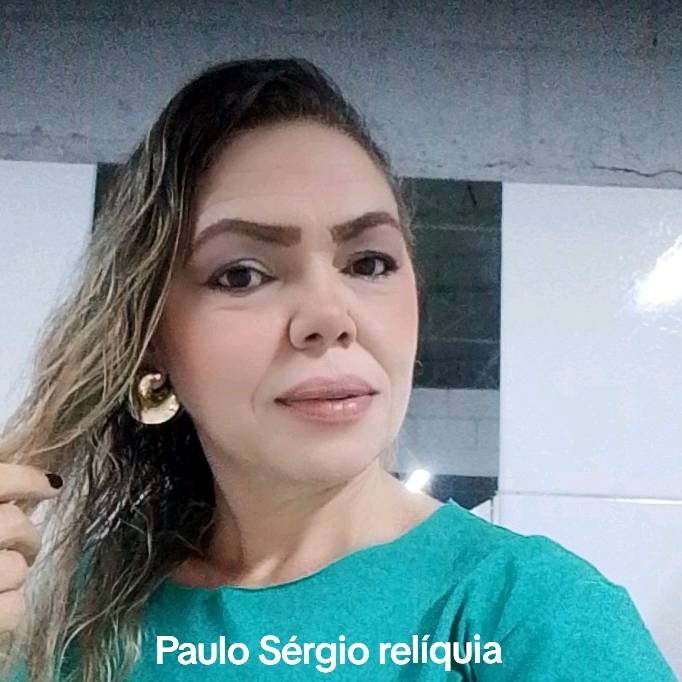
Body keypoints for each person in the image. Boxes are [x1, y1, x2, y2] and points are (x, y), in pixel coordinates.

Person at [0, 58, 676, 681]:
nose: (330, 316)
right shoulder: (74, 619)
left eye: (369, 263)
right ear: (151, 341)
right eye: (242, 274)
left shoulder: (533, 616)